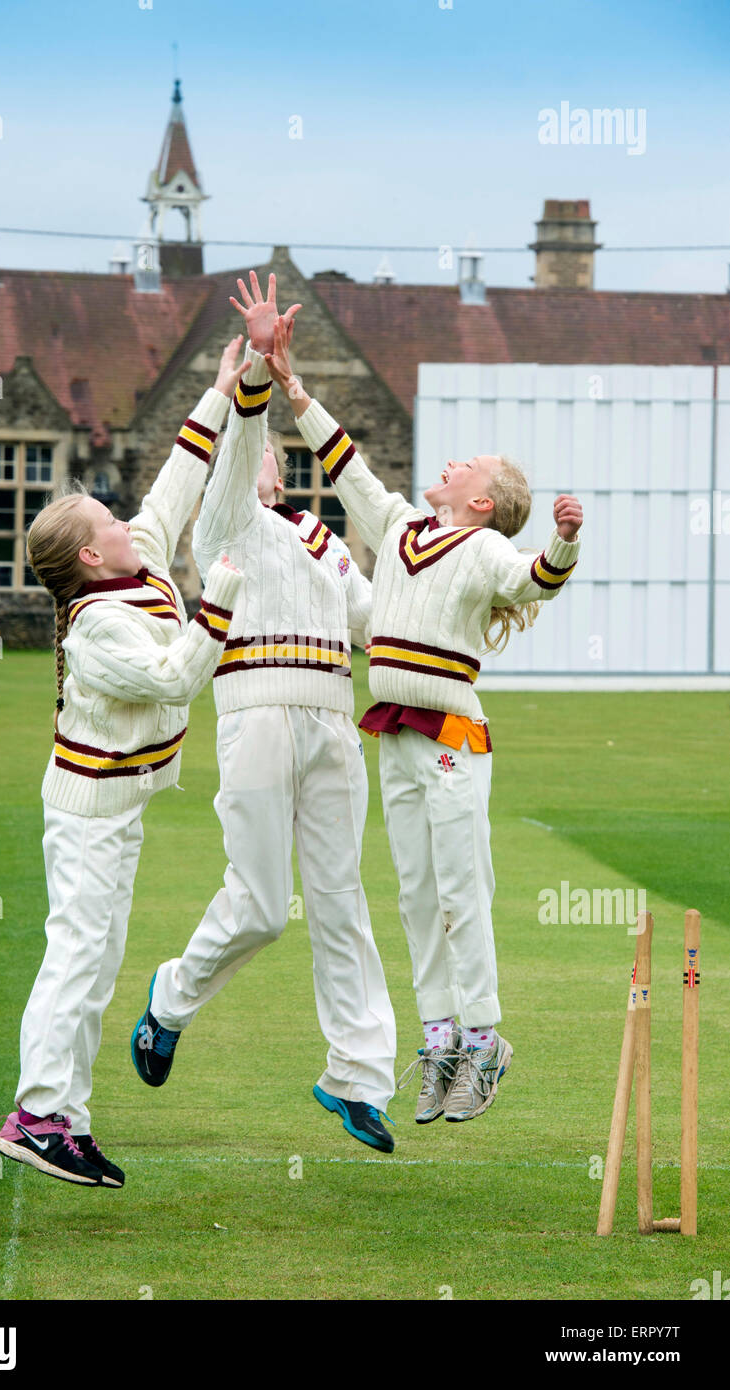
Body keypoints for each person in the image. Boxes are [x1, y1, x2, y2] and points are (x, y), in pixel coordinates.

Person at [263, 314, 583, 1127]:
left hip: (452, 736)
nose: (446, 464)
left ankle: (484, 1041)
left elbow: (532, 582)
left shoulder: (479, 550)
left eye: (464, 465)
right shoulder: (401, 526)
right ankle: (438, 1037)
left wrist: (564, 539)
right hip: (396, 730)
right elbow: (348, 469)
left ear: (480, 500)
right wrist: (293, 385)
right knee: (412, 889)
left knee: (459, 887)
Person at [130, 273, 398, 1153]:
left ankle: (355, 1078)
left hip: (331, 718)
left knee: (340, 899)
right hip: (255, 714)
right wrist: (254, 366)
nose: (265, 463)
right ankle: (170, 999)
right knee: (259, 906)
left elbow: (380, 625)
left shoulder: (324, 542)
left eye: (278, 456)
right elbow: (239, 451)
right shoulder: (220, 527)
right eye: (256, 456)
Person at [0, 341, 247, 1186]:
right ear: (91, 558)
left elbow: (172, 486)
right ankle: (35, 1116)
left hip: (121, 801)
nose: (122, 520)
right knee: (77, 955)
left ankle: (67, 1117)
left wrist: (217, 394)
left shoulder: (129, 562)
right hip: (89, 808)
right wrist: (219, 605)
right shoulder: (98, 625)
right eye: (106, 521)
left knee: (96, 961)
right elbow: (177, 676)